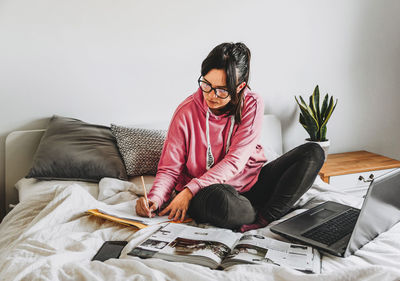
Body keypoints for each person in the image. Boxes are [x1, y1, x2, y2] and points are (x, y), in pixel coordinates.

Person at [136, 42, 324, 232]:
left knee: (313, 152)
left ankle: (264, 217)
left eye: (222, 89)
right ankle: (252, 212)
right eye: (207, 84)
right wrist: (154, 199)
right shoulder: (186, 112)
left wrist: (188, 190)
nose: (211, 95)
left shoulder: (252, 103)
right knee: (223, 201)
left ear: (240, 87)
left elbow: (235, 161)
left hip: (251, 183)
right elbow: (169, 169)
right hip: (208, 191)